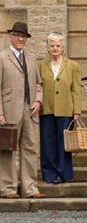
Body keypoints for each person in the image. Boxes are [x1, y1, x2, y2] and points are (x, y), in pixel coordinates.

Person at [0, 22, 46, 198]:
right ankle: (8, 188)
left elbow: (38, 83)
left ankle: (30, 188)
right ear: (10, 36)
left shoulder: (31, 57)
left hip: (31, 111)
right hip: (9, 110)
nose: (20, 39)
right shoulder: (2, 57)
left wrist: (38, 101)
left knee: (31, 148)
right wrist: (0, 112)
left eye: (23, 36)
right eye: (17, 35)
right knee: (7, 149)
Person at [38, 32, 82, 184]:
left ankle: (64, 173)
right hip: (47, 109)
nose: (55, 48)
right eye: (52, 45)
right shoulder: (40, 65)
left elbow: (76, 89)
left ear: (63, 47)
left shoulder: (73, 66)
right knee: (48, 142)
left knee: (64, 143)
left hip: (66, 109)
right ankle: (49, 174)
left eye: (58, 45)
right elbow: (38, 87)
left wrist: (77, 110)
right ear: (47, 47)